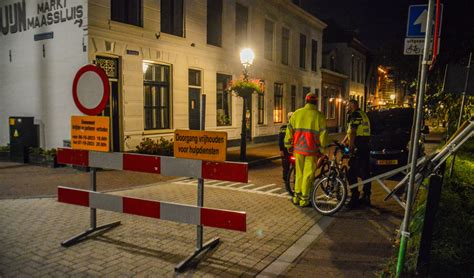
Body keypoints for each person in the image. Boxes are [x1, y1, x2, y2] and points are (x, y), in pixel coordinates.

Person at [284, 93, 328, 207]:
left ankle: (296, 197)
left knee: (299, 173)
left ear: (306, 101)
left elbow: (289, 130)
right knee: (308, 175)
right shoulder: (319, 116)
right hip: (311, 151)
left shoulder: (297, 114)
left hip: (298, 150)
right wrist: (322, 150)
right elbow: (323, 136)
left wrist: (288, 145)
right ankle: (304, 199)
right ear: (316, 102)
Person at [343, 99, 372, 208]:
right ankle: (366, 196)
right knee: (365, 172)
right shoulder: (363, 114)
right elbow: (350, 131)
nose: (346, 108)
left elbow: (354, 131)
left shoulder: (355, 114)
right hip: (365, 145)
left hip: (359, 145)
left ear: (352, 105)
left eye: (347, 105)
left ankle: (354, 197)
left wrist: (350, 147)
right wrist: (344, 141)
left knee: (351, 172)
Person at [279, 112, 293, 182]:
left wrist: (281, 150)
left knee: (286, 167)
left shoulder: (283, 127)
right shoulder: (295, 127)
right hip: (292, 150)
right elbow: (280, 139)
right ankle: (287, 180)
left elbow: (280, 139)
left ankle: (286, 179)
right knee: (290, 167)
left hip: (286, 150)